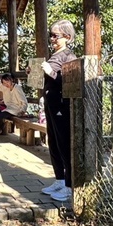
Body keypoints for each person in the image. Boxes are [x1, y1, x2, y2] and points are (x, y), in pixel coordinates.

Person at [41, 20, 77, 202]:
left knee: (64, 144)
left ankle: (70, 186)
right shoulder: (54, 54)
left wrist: (51, 72)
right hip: (50, 104)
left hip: (62, 106)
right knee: (53, 142)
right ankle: (60, 179)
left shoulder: (69, 57)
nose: (52, 39)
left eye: (56, 36)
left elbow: (69, 83)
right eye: (51, 35)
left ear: (67, 37)